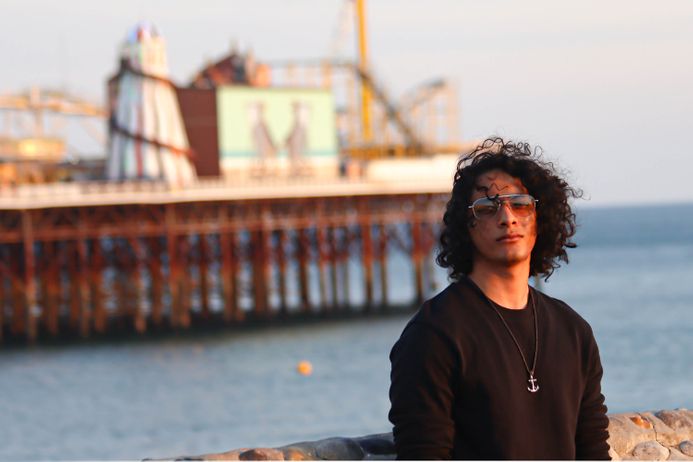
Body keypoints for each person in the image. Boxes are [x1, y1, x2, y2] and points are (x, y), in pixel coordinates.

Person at [388, 138, 610, 460]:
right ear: (467, 226)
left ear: (540, 217)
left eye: (520, 203)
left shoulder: (574, 331)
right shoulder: (433, 334)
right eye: (487, 208)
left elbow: (593, 452)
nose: (507, 217)